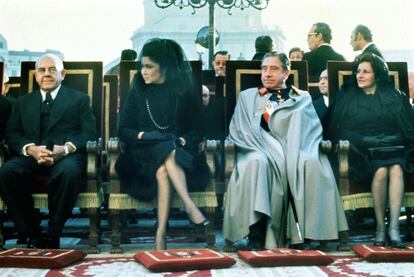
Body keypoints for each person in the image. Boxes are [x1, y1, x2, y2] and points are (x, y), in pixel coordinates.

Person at [223, 52, 348, 251]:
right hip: (257, 147)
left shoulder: (301, 97)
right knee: (257, 163)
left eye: (273, 69)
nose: (267, 74)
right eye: (264, 69)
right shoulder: (250, 96)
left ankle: (307, 235)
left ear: (286, 72)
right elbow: (242, 129)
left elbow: (310, 129)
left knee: (310, 163)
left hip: (297, 147)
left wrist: (296, 150)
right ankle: (256, 234)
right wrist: (270, 146)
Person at [115, 38, 211, 250]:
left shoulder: (184, 93)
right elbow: (123, 130)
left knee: (164, 166)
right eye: (142, 66)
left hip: (179, 154)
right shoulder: (137, 91)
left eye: (149, 67)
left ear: (165, 68)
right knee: (165, 150)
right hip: (140, 157)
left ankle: (160, 234)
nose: (143, 72)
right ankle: (189, 206)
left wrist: (182, 140)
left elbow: (198, 130)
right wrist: (145, 136)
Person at [0, 54, 96, 249]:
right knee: (6, 172)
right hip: (32, 157)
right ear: (36, 75)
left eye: (52, 69)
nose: (47, 74)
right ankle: (31, 232)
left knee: (68, 172)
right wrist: (30, 149)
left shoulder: (79, 100)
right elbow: (12, 133)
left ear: (63, 73)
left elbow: (89, 132)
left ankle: (53, 233)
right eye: (42, 70)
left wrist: (66, 148)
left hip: (65, 157)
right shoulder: (21, 103)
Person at [326, 53, 414, 248]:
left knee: (397, 168)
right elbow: (338, 129)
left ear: (377, 75)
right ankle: (380, 230)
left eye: (366, 72)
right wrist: (364, 139)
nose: (360, 75)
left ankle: (394, 229)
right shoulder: (347, 97)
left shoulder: (394, 96)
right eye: (358, 71)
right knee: (382, 170)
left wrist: (392, 139)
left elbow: (407, 128)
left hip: (393, 147)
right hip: (361, 151)